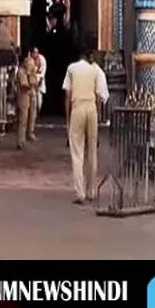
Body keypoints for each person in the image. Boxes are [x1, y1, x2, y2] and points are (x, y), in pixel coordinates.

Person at [63, 47, 109, 204]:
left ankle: (80, 193)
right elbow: (99, 95)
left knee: (77, 152)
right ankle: (91, 191)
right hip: (91, 108)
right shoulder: (95, 70)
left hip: (78, 107)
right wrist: (98, 116)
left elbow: (68, 95)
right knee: (92, 151)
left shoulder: (72, 68)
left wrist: (68, 118)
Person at [14, 51, 39, 149]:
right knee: (23, 119)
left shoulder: (31, 72)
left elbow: (35, 82)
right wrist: (30, 85)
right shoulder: (21, 71)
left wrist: (32, 78)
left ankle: (29, 134)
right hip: (23, 96)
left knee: (32, 115)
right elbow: (23, 85)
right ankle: (20, 141)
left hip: (31, 95)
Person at [30, 46, 47, 125]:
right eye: (34, 52)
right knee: (33, 102)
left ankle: (37, 114)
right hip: (32, 83)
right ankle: (33, 118)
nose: (35, 54)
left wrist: (39, 81)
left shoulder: (42, 59)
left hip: (39, 82)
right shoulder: (29, 60)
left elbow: (43, 72)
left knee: (39, 102)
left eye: (36, 52)